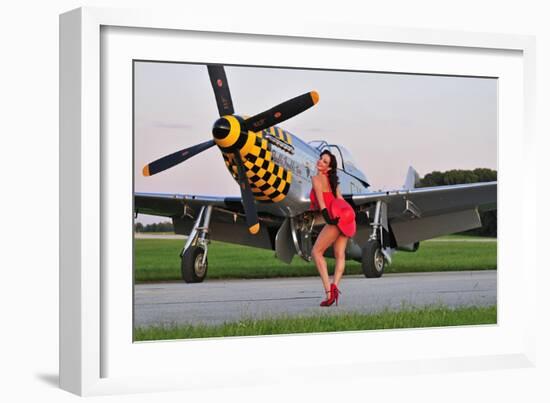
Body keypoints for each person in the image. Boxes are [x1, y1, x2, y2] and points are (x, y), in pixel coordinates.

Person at [309, 150, 355, 307]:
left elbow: (322, 203)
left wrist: (329, 219)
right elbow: (341, 200)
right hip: (344, 218)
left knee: (316, 252)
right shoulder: (333, 181)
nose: (320, 162)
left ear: (328, 168)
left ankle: (329, 293)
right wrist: (351, 216)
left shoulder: (316, 179)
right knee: (339, 254)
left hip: (334, 219)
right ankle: (335, 286)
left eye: (325, 162)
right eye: (321, 159)